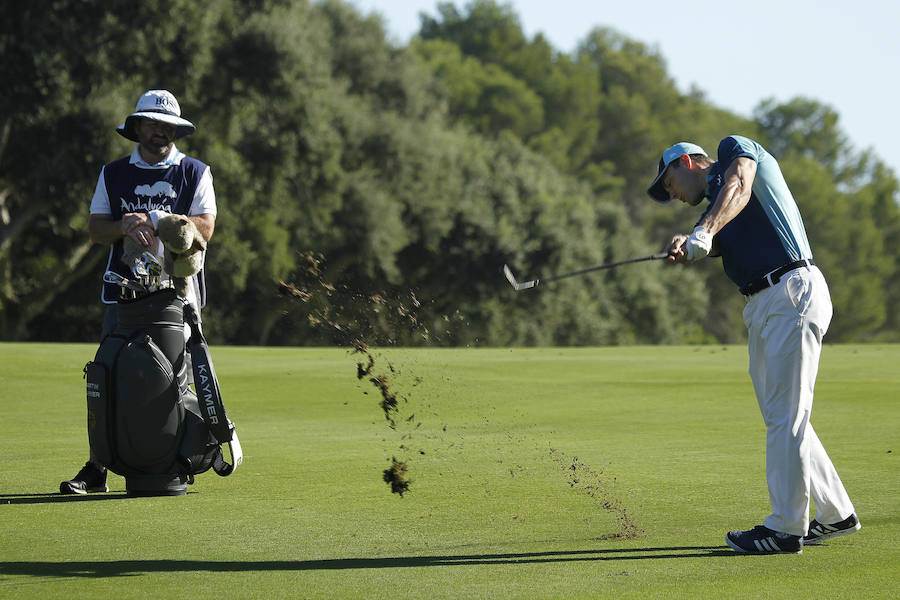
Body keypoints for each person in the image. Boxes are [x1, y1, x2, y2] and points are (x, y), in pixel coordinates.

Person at [647, 135, 859, 554]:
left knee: (786, 417)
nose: (669, 193)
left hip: (790, 290)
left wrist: (703, 230)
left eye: (667, 182)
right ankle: (836, 514)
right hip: (763, 304)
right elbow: (723, 234)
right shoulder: (714, 205)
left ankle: (784, 528)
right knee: (783, 415)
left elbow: (739, 186)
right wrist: (691, 243)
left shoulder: (734, 152)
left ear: (687, 161)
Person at [60, 89, 217, 494]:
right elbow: (97, 229)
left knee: (176, 380)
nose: (159, 132)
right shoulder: (113, 173)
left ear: (176, 131)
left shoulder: (195, 171)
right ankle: (98, 468)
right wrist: (125, 225)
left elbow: (205, 228)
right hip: (122, 294)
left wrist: (158, 217)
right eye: (152, 123)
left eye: (167, 126)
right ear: (137, 128)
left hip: (177, 295)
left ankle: (176, 459)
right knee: (107, 378)